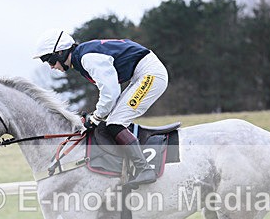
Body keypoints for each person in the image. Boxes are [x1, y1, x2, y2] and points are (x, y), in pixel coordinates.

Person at [34, 29, 169, 187]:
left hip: (150, 74)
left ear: (60, 52)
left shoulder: (87, 58)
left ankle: (144, 168)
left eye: (49, 60)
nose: (51, 67)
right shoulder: (81, 56)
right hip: (142, 74)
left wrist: (96, 117)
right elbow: (110, 94)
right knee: (112, 120)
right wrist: (96, 115)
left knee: (116, 123)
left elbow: (110, 93)